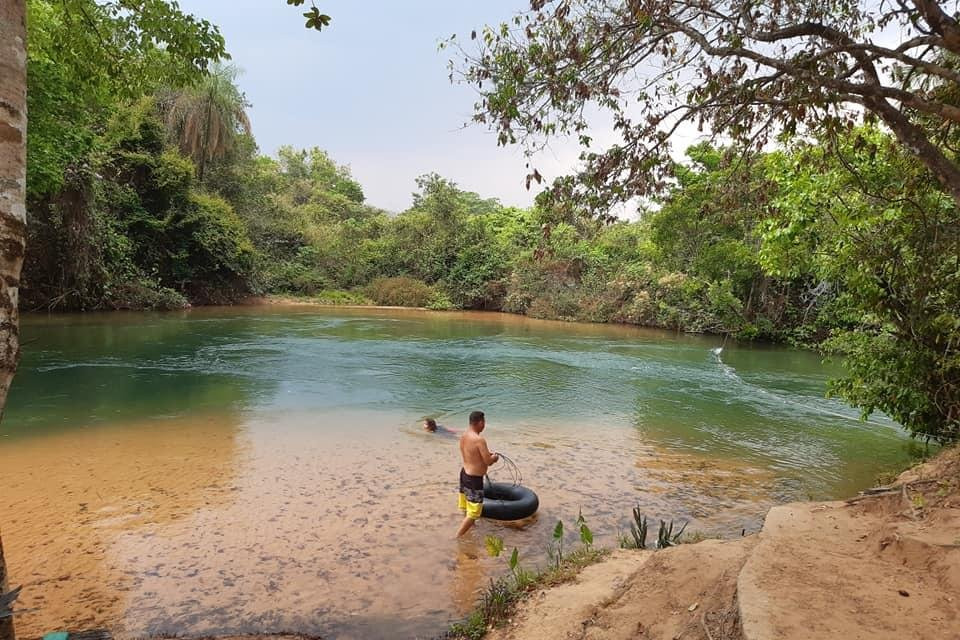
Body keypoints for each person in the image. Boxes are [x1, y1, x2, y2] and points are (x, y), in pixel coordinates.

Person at [456, 410, 499, 537]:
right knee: (474, 512)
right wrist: (494, 458)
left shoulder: (464, 436)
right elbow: (488, 461)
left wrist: (487, 454)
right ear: (480, 422)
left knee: (466, 504)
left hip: (464, 474)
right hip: (474, 479)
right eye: (484, 422)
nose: (484, 425)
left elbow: (472, 454)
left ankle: (471, 528)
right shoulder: (479, 440)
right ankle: (458, 536)